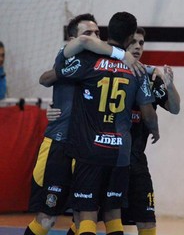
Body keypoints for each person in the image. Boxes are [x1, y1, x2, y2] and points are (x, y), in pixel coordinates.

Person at [24, 13, 139, 235]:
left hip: (85, 148)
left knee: (82, 217)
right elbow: (45, 78)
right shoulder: (68, 55)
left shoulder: (95, 62)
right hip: (60, 143)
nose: (95, 38)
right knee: (47, 217)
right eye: (88, 33)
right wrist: (122, 53)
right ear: (72, 39)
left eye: (98, 33)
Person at [53, 12, 159, 235]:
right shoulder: (137, 70)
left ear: (107, 32)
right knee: (113, 214)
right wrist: (154, 128)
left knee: (87, 214)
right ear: (130, 38)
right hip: (120, 153)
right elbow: (148, 113)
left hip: (90, 149)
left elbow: (57, 72)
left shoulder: (87, 60)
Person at [121, 27, 180, 235]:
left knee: (147, 220)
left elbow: (175, 108)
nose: (138, 47)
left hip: (137, 161)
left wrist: (170, 86)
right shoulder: (112, 72)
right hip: (108, 159)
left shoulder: (151, 76)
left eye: (141, 43)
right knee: (92, 218)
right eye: (133, 42)